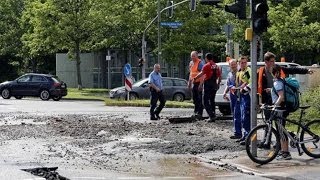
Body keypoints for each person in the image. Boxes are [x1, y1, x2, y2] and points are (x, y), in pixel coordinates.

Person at [258, 52, 313, 121]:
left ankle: (281, 131)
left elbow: (292, 70)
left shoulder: (278, 69)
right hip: (268, 101)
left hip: (281, 101)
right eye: (272, 61)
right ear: (266, 62)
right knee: (268, 122)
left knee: (280, 124)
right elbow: (254, 84)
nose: (274, 63)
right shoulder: (260, 71)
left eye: (274, 61)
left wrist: (306, 71)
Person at [271, 65, 292, 160]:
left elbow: (281, 97)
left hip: (280, 109)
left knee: (281, 131)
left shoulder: (277, 83)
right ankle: (282, 150)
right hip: (281, 108)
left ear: (274, 73)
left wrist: (274, 106)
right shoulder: (280, 81)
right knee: (281, 130)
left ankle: (286, 152)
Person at [193, 53, 221, 122]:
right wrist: (218, 84)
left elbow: (202, 73)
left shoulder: (207, 65)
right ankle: (213, 114)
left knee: (205, 101)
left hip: (208, 84)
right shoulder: (216, 66)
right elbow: (220, 76)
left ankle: (211, 116)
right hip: (214, 83)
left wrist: (195, 78)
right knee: (212, 100)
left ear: (206, 58)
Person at [234, 56, 251, 145]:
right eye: (241, 62)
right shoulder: (240, 72)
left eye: (244, 62)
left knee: (246, 117)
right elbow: (239, 83)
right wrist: (236, 88)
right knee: (242, 117)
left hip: (246, 95)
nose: (243, 64)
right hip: (240, 95)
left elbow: (248, 81)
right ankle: (244, 135)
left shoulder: (248, 70)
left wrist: (241, 87)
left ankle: (248, 136)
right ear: (239, 63)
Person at [223, 59, 241, 139]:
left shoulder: (240, 73)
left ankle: (239, 133)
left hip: (239, 95)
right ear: (229, 66)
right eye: (231, 65)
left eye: (234, 64)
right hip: (232, 95)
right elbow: (228, 84)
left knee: (238, 114)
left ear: (237, 64)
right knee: (234, 113)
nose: (233, 66)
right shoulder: (230, 74)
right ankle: (237, 131)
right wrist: (224, 93)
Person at [188, 51, 204, 120]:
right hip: (193, 83)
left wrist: (201, 84)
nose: (192, 57)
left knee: (199, 98)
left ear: (197, 56)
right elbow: (191, 73)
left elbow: (203, 74)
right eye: (192, 56)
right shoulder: (191, 63)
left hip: (198, 83)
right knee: (194, 98)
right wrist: (189, 82)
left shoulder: (200, 63)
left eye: (194, 56)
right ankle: (195, 111)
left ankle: (200, 113)